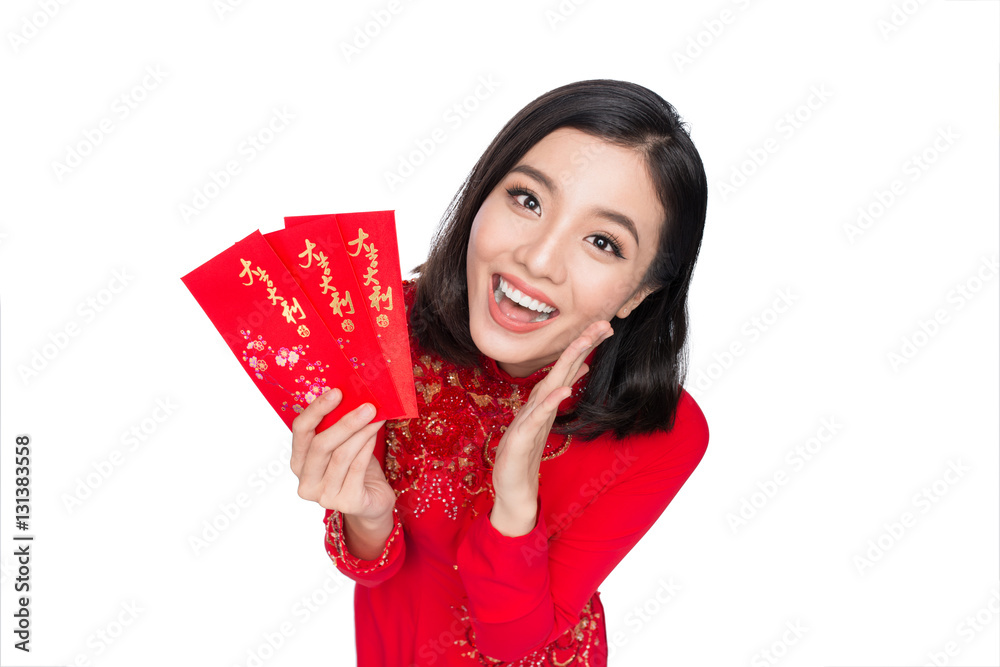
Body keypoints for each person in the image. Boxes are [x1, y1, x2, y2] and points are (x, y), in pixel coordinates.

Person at [290, 79, 710, 666]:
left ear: (637, 293)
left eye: (601, 241)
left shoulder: (661, 433)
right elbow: (377, 571)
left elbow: (516, 642)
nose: (538, 259)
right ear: (483, 195)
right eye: (528, 200)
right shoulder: (386, 328)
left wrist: (515, 506)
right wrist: (367, 512)